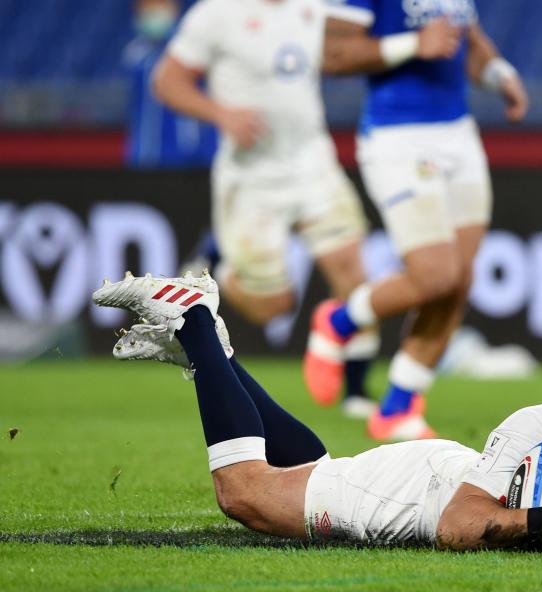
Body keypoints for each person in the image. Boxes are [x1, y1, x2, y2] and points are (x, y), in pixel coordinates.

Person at [92, 272, 542, 561]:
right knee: (247, 496)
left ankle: (214, 354)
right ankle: (194, 325)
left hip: (435, 479)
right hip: (418, 495)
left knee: (307, 466)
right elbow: (454, 527)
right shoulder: (538, 425)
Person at [302, 0, 529, 441]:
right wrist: (412, 44)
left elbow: (469, 36)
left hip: (458, 136)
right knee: (435, 274)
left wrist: (500, 75)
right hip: (397, 139)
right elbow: (330, 55)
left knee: (459, 279)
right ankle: (340, 321)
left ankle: (398, 405)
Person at [150, 0, 379, 416]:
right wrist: (219, 113)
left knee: (353, 272)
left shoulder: (314, 7)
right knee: (274, 306)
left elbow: (366, 31)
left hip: (313, 161)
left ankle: (358, 392)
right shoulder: (215, 13)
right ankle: (218, 265)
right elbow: (167, 81)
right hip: (251, 176)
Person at [123, 0, 218, 168]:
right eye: (147, 6)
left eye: (159, 5)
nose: (154, 11)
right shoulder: (135, 53)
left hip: (190, 155)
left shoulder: (191, 50)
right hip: (145, 156)